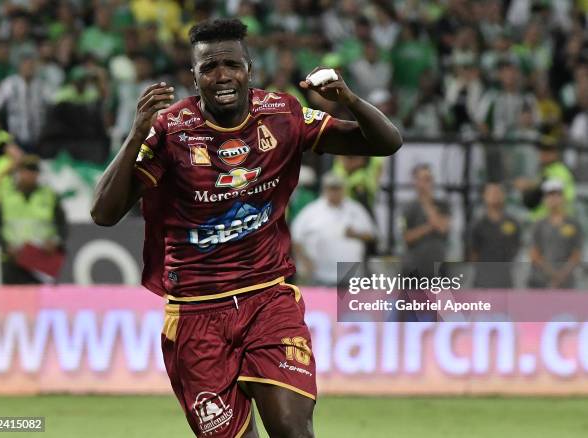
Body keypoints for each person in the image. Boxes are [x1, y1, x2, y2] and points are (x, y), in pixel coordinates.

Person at [90, 18, 401, 438]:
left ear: (249, 67)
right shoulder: (171, 132)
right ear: (194, 76)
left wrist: (347, 98)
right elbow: (103, 213)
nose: (222, 76)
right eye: (209, 67)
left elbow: (385, 142)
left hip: (268, 300)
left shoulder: (282, 114)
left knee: (293, 429)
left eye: (231, 64)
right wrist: (135, 136)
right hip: (196, 314)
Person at [0, 155, 67, 284]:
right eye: (27, 171)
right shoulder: (4, 195)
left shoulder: (49, 195)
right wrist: (5, 246)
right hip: (12, 259)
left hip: (41, 258)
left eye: (34, 171)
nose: (31, 175)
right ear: (19, 172)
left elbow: (63, 225)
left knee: (42, 300)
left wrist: (55, 242)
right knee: (12, 301)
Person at [291, 172, 376, 286]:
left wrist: (355, 234)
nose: (335, 192)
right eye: (332, 188)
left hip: (351, 275)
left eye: (338, 188)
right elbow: (295, 238)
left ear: (344, 189)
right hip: (320, 275)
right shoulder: (311, 211)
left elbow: (372, 235)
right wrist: (304, 261)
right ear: (325, 189)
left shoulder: (356, 209)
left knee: (349, 304)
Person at [528, 179, 582, 289]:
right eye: (549, 195)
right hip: (541, 282)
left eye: (557, 195)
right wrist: (552, 274)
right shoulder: (538, 225)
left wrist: (561, 275)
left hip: (567, 283)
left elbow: (576, 255)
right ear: (544, 199)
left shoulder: (574, 224)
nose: (553, 199)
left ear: (563, 198)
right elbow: (534, 254)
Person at [401, 163, 450, 279]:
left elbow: (443, 228)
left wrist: (427, 202)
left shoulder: (443, 205)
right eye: (421, 179)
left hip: (438, 269)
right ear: (415, 182)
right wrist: (429, 227)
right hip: (413, 270)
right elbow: (407, 237)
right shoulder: (407, 208)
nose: (425, 183)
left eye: (428, 179)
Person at [468, 183, 521, 288]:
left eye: (498, 192)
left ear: (504, 196)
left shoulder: (513, 223)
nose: (495, 195)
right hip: (483, 279)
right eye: (491, 193)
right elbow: (472, 252)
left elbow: (517, 246)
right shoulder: (478, 224)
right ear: (484, 196)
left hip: (505, 278)